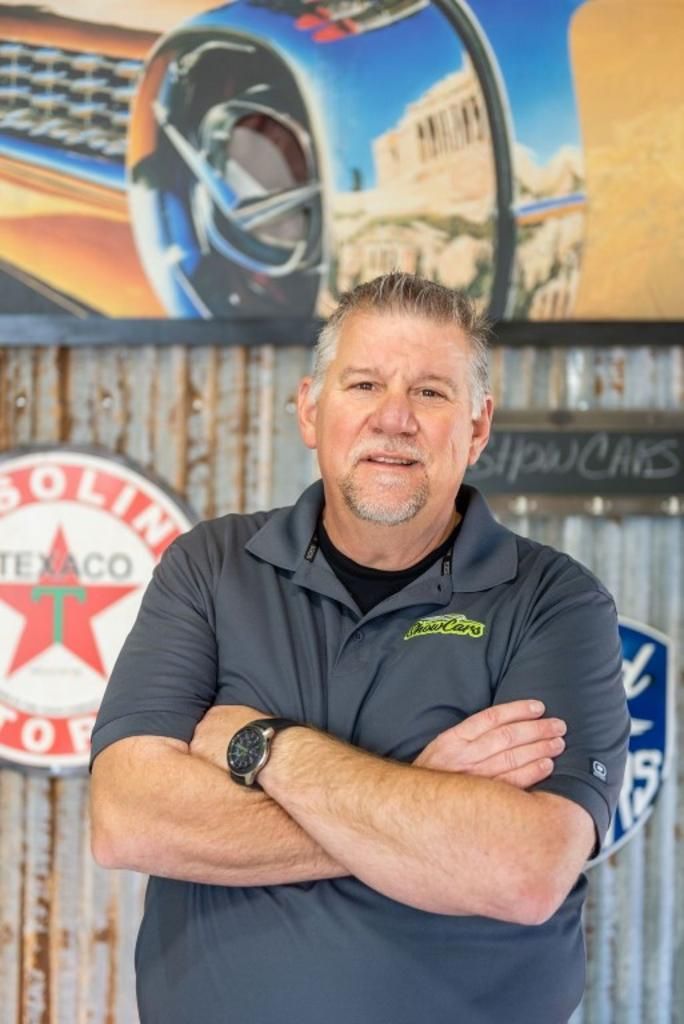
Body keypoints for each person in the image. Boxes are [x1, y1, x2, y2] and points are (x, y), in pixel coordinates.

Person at [90, 273, 629, 1024]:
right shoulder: (211, 567)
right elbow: (128, 819)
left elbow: (523, 871)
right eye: (365, 383)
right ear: (312, 410)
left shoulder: (556, 602)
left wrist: (262, 748)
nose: (394, 419)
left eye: (432, 393)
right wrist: (420, 801)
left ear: (476, 428)